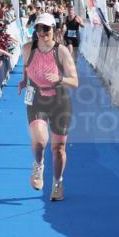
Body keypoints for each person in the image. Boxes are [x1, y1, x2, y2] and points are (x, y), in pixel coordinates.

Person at [17, 13, 79, 201]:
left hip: (59, 100)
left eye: (46, 29)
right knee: (40, 139)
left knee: (58, 147)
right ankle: (39, 165)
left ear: (54, 29)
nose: (42, 33)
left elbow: (75, 81)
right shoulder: (28, 48)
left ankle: (58, 183)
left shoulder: (61, 52)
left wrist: (59, 78)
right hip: (36, 97)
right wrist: (24, 80)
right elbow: (27, 66)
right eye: (39, 29)